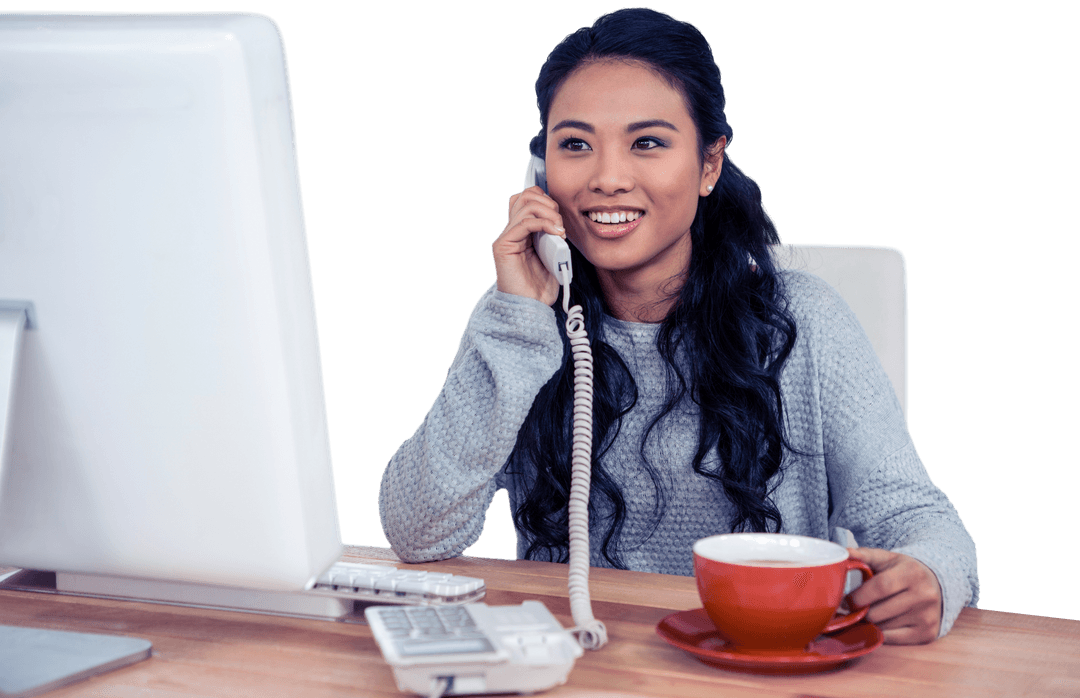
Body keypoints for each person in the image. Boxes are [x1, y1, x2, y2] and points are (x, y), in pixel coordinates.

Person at [378, 7, 979, 645]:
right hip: (584, 668)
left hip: (761, 670)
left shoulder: (801, 320)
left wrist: (933, 575)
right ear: (540, 173)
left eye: (648, 142)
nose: (607, 178)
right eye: (575, 144)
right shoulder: (520, 319)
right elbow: (417, 532)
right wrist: (519, 322)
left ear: (709, 164)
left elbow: (916, 515)